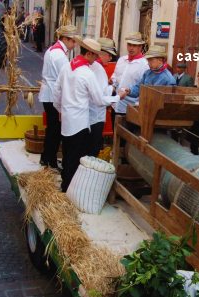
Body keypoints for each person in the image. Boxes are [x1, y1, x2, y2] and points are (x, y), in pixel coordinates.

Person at [53, 38, 120, 192]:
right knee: (77, 157)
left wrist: (61, 110)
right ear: (89, 53)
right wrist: (117, 97)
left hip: (67, 120)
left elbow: (57, 92)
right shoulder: (87, 73)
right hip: (80, 122)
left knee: (67, 154)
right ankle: (70, 190)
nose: (97, 58)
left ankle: (65, 185)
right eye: (95, 55)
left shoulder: (67, 66)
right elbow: (98, 100)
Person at [38, 25, 78, 169]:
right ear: (66, 39)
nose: (74, 45)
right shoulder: (59, 55)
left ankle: (46, 158)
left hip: (48, 95)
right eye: (73, 41)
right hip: (53, 97)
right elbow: (66, 78)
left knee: (52, 129)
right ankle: (50, 160)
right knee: (55, 131)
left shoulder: (52, 50)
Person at [87, 38, 118, 158]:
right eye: (109, 55)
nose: (110, 58)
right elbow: (101, 96)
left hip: (89, 114)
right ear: (102, 53)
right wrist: (116, 93)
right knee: (93, 147)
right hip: (96, 115)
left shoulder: (93, 66)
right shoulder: (98, 68)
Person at [111, 32, 149, 118]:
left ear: (140, 47)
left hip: (130, 109)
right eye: (129, 45)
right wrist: (112, 83)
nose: (131, 48)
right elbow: (115, 76)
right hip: (115, 106)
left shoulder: (144, 65)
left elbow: (143, 87)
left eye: (134, 45)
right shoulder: (121, 60)